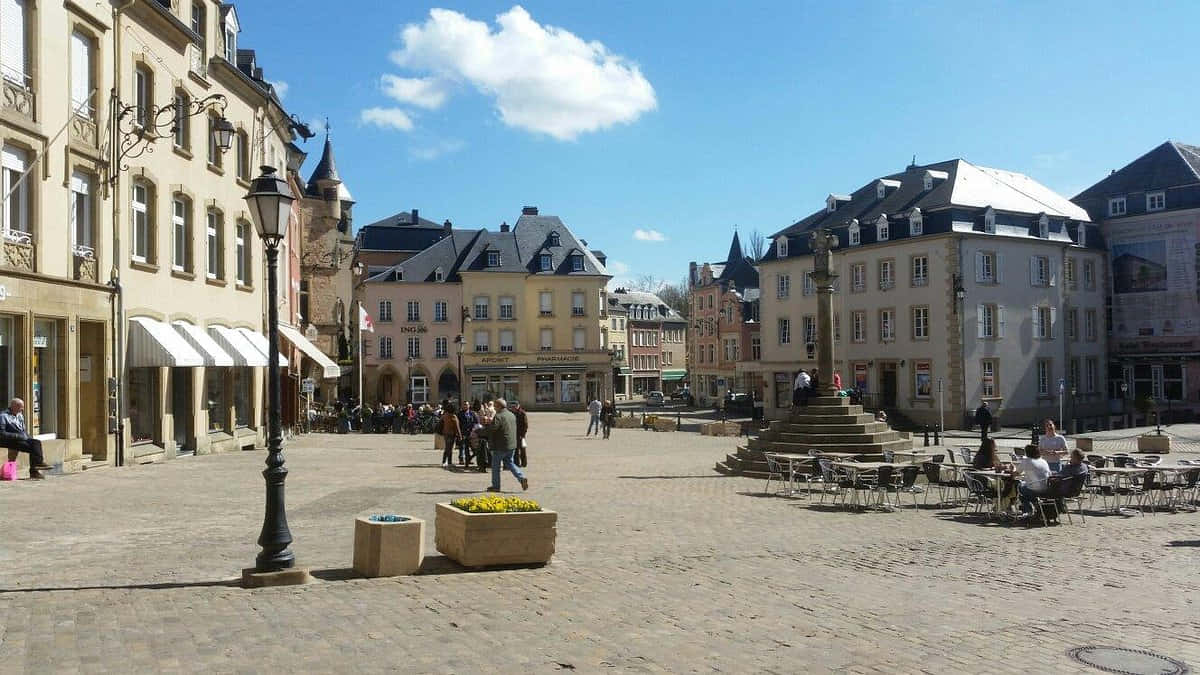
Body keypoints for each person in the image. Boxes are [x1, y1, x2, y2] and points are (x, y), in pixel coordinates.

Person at [483, 398, 528, 492]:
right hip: (511, 445)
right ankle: (522, 477)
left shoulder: (499, 416)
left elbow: (493, 429)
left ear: (499, 406)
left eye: (495, 406)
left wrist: (484, 428)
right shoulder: (511, 414)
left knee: (495, 467)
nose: (494, 408)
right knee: (510, 463)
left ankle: (496, 486)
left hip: (500, 445)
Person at [0, 398, 52, 480]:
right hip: (6, 440)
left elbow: (23, 430)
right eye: (21, 407)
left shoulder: (20, 415)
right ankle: (35, 471)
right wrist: (19, 436)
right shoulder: (3, 416)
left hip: (18, 439)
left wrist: (27, 437)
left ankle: (37, 465)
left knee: (36, 442)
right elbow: (2, 434)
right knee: (33, 448)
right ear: (14, 406)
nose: (22, 409)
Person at [1015, 446, 1052, 517]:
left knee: (1019, 487)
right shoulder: (1043, 461)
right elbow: (1049, 474)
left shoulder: (1026, 461)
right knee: (1025, 487)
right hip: (1046, 488)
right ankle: (1035, 505)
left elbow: (1016, 473)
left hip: (1034, 489)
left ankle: (1028, 510)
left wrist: (1012, 469)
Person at [439, 403, 461, 469]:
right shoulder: (453, 416)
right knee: (450, 449)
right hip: (451, 434)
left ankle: (444, 461)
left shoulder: (445, 415)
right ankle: (449, 462)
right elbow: (457, 427)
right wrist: (460, 435)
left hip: (445, 433)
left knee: (447, 448)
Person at [456, 402, 478, 467]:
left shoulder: (472, 413)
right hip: (463, 432)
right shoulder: (459, 414)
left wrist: (474, 430)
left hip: (471, 433)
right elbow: (458, 423)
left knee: (471, 447)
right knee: (462, 446)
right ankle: (461, 459)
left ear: (469, 406)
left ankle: (469, 459)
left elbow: (476, 422)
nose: (465, 406)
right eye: (464, 405)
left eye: (466, 405)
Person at [513, 401, 529, 468]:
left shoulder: (522, 413)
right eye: (514, 406)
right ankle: (516, 463)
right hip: (514, 434)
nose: (515, 407)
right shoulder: (512, 412)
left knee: (523, 449)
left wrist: (523, 434)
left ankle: (524, 463)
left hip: (521, 434)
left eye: (516, 405)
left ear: (518, 405)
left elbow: (525, 424)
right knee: (515, 449)